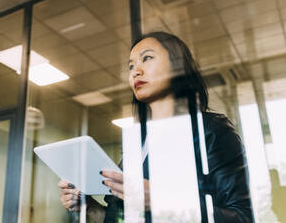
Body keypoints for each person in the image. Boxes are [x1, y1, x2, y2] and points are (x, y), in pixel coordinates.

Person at [58, 31, 254, 222]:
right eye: (131, 66)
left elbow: (243, 217)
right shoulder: (137, 143)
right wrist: (88, 207)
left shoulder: (211, 129)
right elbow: (119, 217)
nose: (136, 71)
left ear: (178, 66)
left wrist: (161, 201)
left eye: (147, 58)